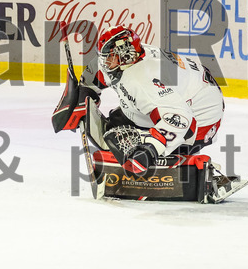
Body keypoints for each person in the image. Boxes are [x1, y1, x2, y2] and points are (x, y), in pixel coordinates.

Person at [80, 26, 226, 178]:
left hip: (203, 117)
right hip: (193, 92)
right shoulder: (133, 58)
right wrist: (82, 92)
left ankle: (186, 165)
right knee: (118, 120)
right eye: (106, 57)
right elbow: (99, 69)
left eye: (110, 57)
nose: (106, 62)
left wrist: (149, 149)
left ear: (125, 56)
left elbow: (181, 119)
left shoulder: (142, 80)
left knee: (138, 142)